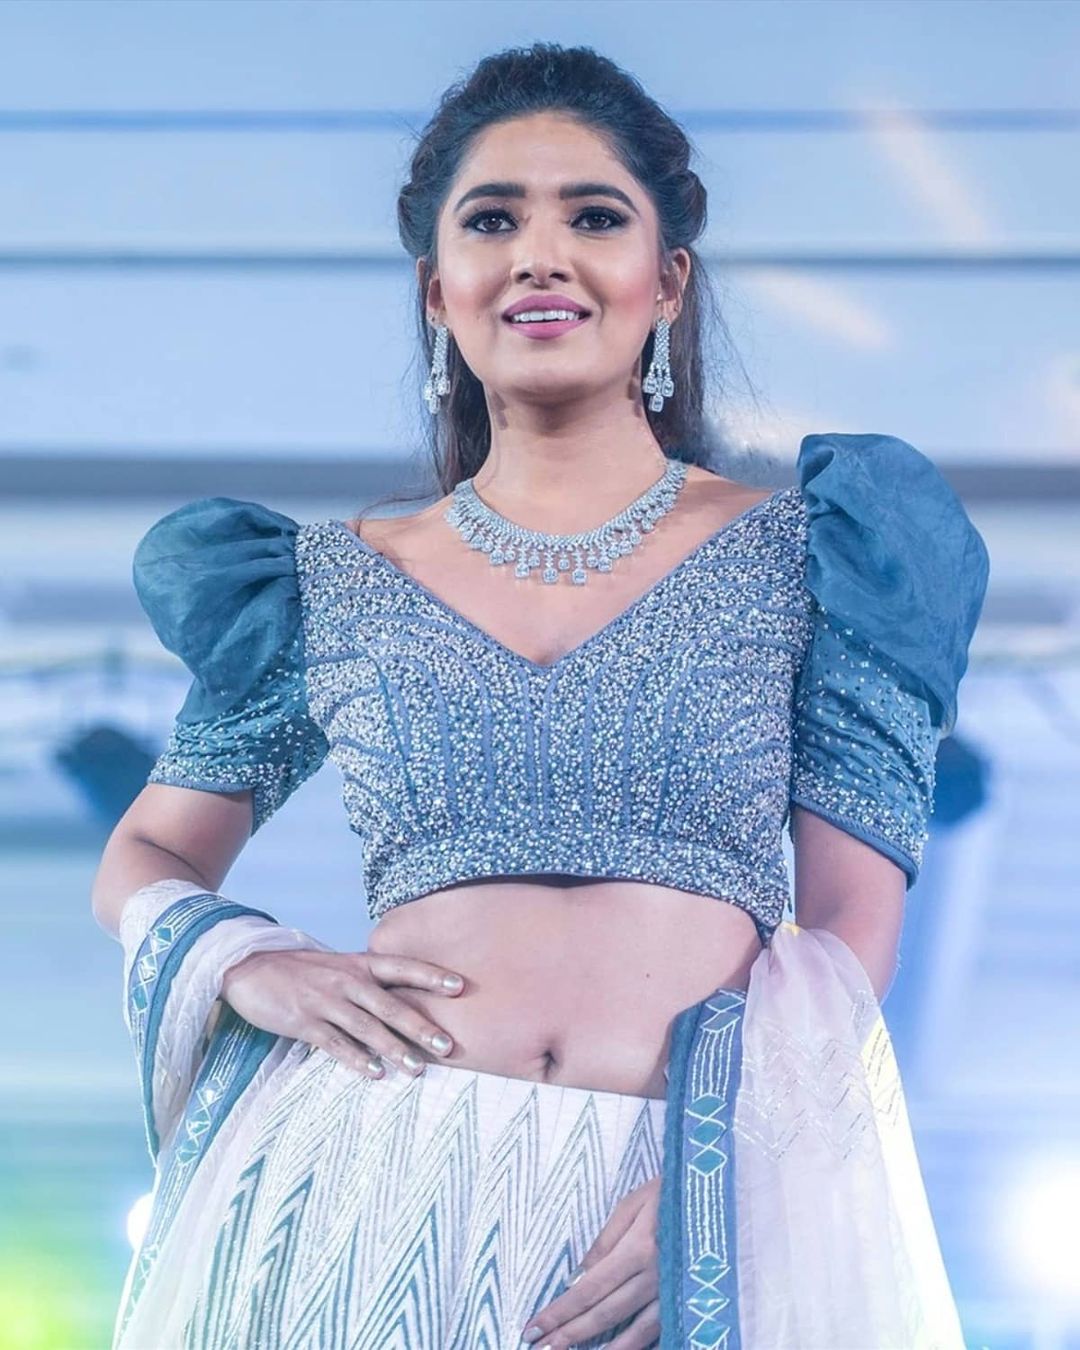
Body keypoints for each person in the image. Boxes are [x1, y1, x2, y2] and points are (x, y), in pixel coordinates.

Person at [94, 42, 989, 1350]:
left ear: (667, 280)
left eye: (595, 217)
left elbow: (854, 918)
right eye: (493, 220)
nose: (540, 256)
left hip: (677, 1191)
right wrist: (248, 962)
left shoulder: (820, 554)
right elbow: (149, 852)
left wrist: (734, 1168)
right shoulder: (326, 584)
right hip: (369, 1184)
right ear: (438, 288)